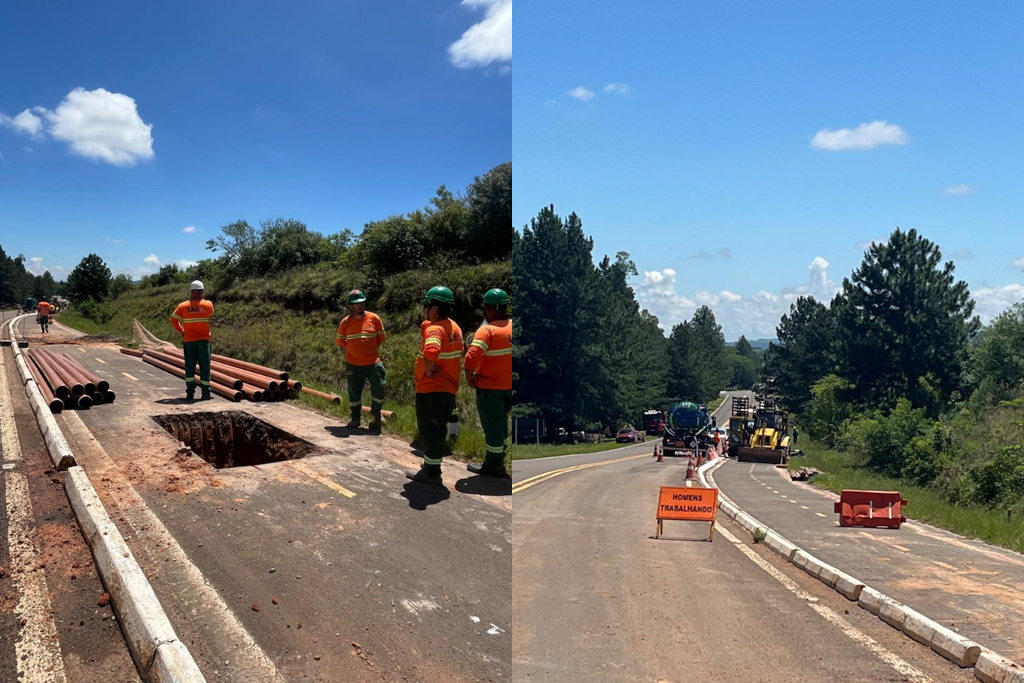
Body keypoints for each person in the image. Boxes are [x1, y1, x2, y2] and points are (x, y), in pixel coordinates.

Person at [406, 286, 463, 487]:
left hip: (431, 389)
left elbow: (431, 350)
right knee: (438, 430)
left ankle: (431, 473)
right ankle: (430, 467)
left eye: (427, 306)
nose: (425, 311)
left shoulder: (435, 329)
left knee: (430, 431)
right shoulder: (454, 328)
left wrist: (429, 368)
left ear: (435, 308)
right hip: (448, 388)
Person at [463, 288, 513, 479]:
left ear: (488, 309)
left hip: (491, 387)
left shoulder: (488, 330)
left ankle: (494, 465)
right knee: (501, 425)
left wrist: (469, 374)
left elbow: (472, 356)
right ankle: (500, 459)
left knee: (493, 426)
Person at [335, 289, 387, 433]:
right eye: (356, 304)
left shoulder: (374, 319)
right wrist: (353, 351)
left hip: (373, 363)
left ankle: (376, 416)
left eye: (362, 303)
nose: (360, 306)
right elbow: (340, 340)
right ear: (351, 306)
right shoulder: (345, 322)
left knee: (379, 388)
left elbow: (380, 338)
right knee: (354, 392)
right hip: (353, 364)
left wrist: (368, 350)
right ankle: (355, 419)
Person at [170, 281, 214, 400]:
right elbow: (210, 314)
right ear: (202, 292)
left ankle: (190, 393)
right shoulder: (208, 305)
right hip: (203, 340)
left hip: (188, 340)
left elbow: (173, 319)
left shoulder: (183, 306)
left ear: (191, 291)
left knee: (190, 366)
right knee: (205, 366)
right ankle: (205, 393)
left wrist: (181, 330)